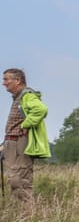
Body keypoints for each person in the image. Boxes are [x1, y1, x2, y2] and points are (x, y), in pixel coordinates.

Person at [1, 68, 51, 201]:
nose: (3, 83)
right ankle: (21, 215)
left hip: (20, 143)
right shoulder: (19, 97)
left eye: (6, 79)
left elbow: (41, 109)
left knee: (21, 181)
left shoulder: (27, 95)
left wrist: (25, 124)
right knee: (14, 180)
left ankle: (28, 215)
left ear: (17, 80)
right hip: (12, 143)